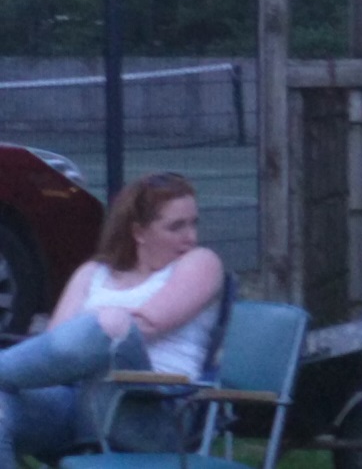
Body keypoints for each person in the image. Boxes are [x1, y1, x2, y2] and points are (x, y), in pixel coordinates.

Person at [0, 171, 225, 467]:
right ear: (139, 232)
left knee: (113, 324)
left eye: (194, 223)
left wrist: (98, 327)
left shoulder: (201, 262)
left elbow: (148, 324)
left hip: (154, 413)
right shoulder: (93, 273)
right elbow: (54, 352)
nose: (191, 237)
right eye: (176, 227)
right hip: (76, 405)